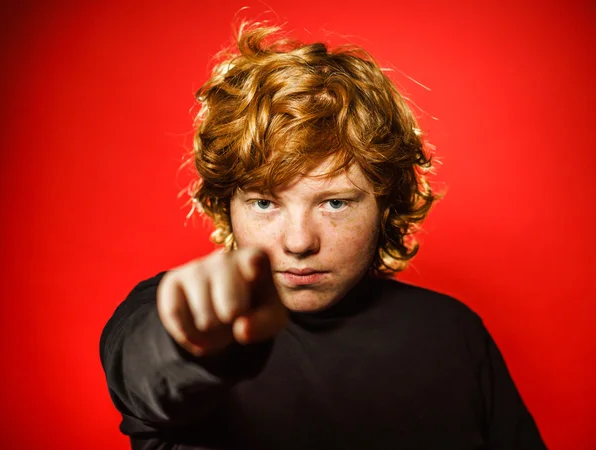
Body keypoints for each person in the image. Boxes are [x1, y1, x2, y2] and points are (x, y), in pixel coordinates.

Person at [100, 21, 546, 449]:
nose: (299, 242)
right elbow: (148, 369)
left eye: (335, 203)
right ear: (227, 206)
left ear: (385, 204)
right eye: (265, 203)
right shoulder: (156, 313)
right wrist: (194, 344)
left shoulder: (454, 334)